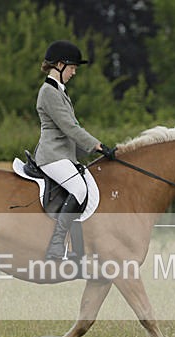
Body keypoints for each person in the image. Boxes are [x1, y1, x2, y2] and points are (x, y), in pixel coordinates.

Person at [34, 40, 115, 261]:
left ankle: (78, 250)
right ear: (59, 65)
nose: (74, 72)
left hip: (64, 156)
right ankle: (56, 246)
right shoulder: (48, 92)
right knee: (79, 189)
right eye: (72, 67)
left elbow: (73, 126)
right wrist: (96, 145)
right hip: (52, 156)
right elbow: (69, 127)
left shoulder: (59, 91)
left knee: (86, 187)